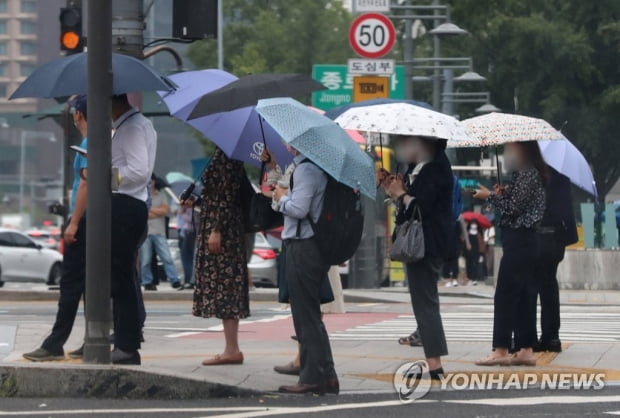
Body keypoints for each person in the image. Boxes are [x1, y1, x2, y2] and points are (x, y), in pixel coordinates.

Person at [378, 135, 453, 380]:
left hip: (427, 243)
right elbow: (407, 202)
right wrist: (391, 186)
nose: (403, 147)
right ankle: (433, 363)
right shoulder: (416, 167)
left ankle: (435, 365)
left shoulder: (437, 167)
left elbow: (422, 207)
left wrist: (401, 194)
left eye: (408, 141)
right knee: (422, 301)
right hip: (420, 241)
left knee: (425, 302)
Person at [23, 95, 89, 362]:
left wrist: (73, 222)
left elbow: (86, 184)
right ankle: (97, 336)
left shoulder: (89, 144)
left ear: (77, 116)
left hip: (83, 221)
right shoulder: (105, 140)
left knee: (71, 284)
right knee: (93, 284)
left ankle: (55, 343)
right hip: (92, 219)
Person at [473, 141, 547, 367]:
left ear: (523, 150)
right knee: (524, 296)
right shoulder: (526, 174)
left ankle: (501, 349)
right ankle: (525, 349)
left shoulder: (528, 173)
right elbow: (516, 202)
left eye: (511, 149)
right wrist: (503, 194)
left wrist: (489, 196)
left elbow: (514, 207)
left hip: (521, 240)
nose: (507, 153)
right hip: (524, 241)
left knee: (505, 294)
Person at [272, 145, 339, 395]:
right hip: (308, 245)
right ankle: (328, 374)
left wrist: (281, 198)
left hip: (303, 246)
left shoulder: (306, 170)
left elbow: (299, 210)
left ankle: (311, 377)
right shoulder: (314, 168)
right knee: (310, 316)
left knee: (305, 316)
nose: (286, 144)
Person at [184, 147, 249, 366]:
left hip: (223, 232)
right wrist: (198, 201)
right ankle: (231, 347)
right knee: (224, 286)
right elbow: (217, 195)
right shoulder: (221, 153)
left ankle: (232, 348)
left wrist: (217, 228)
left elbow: (227, 196)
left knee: (225, 286)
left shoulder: (228, 156)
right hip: (218, 226)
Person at [109, 94, 157, 365]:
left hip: (127, 204)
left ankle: (126, 345)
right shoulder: (139, 124)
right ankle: (127, 340)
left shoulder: (131, 128)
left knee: (121, 278)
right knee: (123, 276)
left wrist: (107, 176)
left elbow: (138, 172)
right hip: (131, 204)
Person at [534, 166, 578, 352]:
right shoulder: (561, 177)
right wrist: (566, 237)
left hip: (533, 237)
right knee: (549, 287)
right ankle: (552, 337)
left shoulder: (529, 172)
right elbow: (567, 210)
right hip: (553, 240)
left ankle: (526, 338)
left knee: (528, 288)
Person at [140, 175, 181, 291]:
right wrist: (156, 212)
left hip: (159, 231)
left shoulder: (161, 195)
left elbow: (165, 210)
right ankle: (147, 281)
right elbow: (143, 213)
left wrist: (150, 209)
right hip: (146, 232)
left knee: (166, 257)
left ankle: (175, 280)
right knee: (146, 260)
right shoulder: (142, 196)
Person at [176, 204, 198, 290]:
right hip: (185, 232)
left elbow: (192, 220)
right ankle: (187, 279)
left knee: (193, 257)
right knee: (185, 257)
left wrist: (184, 213)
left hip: (194, 233)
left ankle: (192, 280)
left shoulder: (196, 208)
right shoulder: (184, 207)